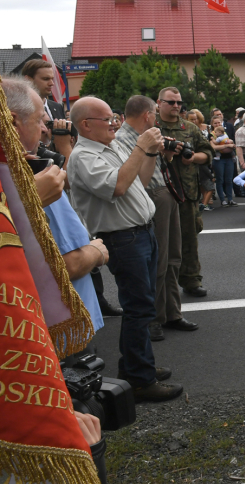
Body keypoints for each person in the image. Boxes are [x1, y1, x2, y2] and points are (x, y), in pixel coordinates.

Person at [66, 96, 183, 402]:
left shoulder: (110, 147)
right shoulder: (84, 156)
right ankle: (139, 378)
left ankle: (137, 365)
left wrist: (153, 153)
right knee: (139, 307)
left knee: (142, 305)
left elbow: (138, 181)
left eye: (113, 117)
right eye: (107, 119)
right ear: (86, 125)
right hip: (122, 238)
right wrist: (142, 148)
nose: (114, 123)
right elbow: (117, 187)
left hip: (140, 233)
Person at [2, 79, 106, 334]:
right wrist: (97, 252)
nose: (44, 130)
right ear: (13, 122)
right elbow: (67, 264)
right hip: (50, 324)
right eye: (40, 121)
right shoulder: (27, 176)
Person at [116, 95, 199, 341]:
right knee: (157, 262)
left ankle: (172, 313)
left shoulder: (147, 136)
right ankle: (152, 318)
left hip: (165, 193)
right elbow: (135, 177)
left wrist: (168, 154)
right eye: (153, 112)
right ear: (146, 115)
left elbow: (158, 166)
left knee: (173, 257)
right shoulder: (123, 140)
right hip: (149, 197)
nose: (156, 118)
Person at [156, 87, 213, 300]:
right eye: (171, 102)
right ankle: (160, 284)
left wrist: (194, 158)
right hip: (158, 191)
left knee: (189, 238)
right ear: (159, 103)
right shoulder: (150, 127)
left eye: (179, 103)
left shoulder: (189, 127)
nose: (176, 106)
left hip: (187, 191)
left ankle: (191, 280)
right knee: (160, 240)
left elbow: (208, 152)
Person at [211, 123, 238, 206]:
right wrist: (227, 145)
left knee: (229, 180)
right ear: (212, 124)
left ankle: (230, 199)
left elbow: (232, 141)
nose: (217, 124)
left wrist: (231, 143)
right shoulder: (211, 135)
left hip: (229, 158)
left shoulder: (225, 133)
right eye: (215, 123)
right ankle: (222, 200)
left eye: (219, 122)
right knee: (220, 180)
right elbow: (214, 147)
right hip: (219, 160)